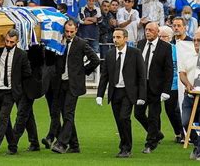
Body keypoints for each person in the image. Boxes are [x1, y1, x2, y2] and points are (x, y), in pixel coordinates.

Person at [96, 28, 147, 158]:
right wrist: (100, 95)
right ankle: (123, 145)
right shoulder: (110, 54)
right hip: (115, 92)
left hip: (128, 92)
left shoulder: (135, 53)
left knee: (125, 118)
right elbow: (105, 76)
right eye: (114, 37)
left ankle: (126, 148)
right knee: (119, 120)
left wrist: (141, 95)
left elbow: (142, 75)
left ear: (125, 38)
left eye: (118, 37)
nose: (115, 40)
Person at [51, 20, 100, 154]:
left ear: (76, 30)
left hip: (74, 84)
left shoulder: (81, 43)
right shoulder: (58, 43)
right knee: (65, 114)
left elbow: (95, 59)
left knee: (68, 113)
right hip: (61, 83)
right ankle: (75, 145)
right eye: (67, 31)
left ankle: (61, 143)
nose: (69, 34)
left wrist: (83, 71)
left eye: (71, 32)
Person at [0, 29, 32, 156]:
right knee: (5, 121)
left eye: (11, 42)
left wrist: (17, 84)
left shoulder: (21, 54)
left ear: (17, 41)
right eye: (7, 41)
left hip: (10, 92)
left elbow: (27, 72)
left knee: (3, 118)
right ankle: (13, 146)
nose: (8, 43)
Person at [135, 22, 173, 153]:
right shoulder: (140, 44)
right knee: (138, 113)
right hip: (141, 87)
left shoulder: (165, 47)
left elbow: (169, 70)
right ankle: (156, 133)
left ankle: (150, 143)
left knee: (153, 116)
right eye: (146, 30)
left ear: (157, 32)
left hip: (156, 87)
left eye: (151, 30)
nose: (148, 32)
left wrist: (166, 90)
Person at [181, 31, 200, 161]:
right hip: (190, 95)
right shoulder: (188, 56)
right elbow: (182, 73)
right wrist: (187, 84)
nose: (196, 43)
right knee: (185, 122)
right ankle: (197, 143)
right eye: (195, 40)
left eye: (199, 40)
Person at [158, 26, 183, 143]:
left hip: (173, 84)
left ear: (170, 38)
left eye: (164, 37)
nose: (162, 39)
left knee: (172, 110)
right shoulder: (155, 50)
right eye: (160, 36)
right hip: (158, 84)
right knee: (155, 111)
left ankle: (179, 133)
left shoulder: (176, 50)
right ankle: (155, 133)